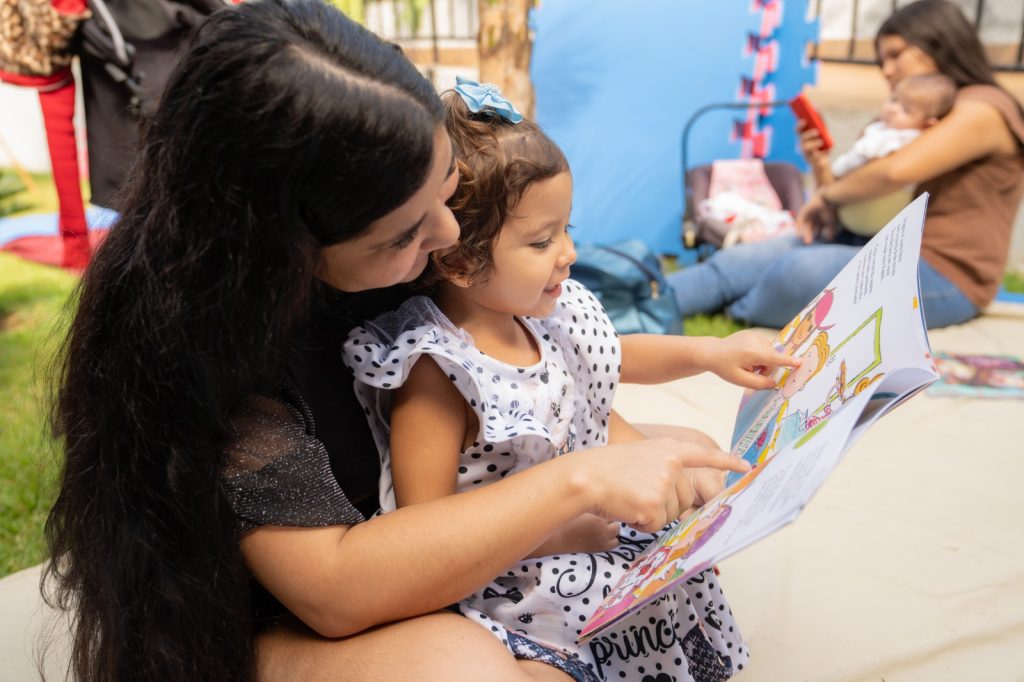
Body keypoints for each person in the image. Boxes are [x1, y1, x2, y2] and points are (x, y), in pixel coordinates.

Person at [44, 2, 759, 679]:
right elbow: (335, 590)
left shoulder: (406, 255)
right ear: (284, 250)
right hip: (301, 616)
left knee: (670, 458)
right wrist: (577, 484)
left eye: (447, 192)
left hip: (433, 538)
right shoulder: (208, 362)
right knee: (462, 666)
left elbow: (558, 381)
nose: (449, 237)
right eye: (406, 232)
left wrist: (638, 472)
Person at [343, 80, 801, 680]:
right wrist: (555, 532)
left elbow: (615, 355)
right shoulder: (437, 371)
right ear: (457, 259)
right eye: (541, 240)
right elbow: (427, 528)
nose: (569, 253)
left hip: (593, 523)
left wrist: (708, 353)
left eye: (567, 229)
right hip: (512, 580)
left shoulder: (543, 311)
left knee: (689, 517)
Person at [667, 0, 1024, 330]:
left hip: (939, 272)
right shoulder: (902, 114)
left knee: (797, 273)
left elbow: (893, 173)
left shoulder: (985, 107)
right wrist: (821, 166)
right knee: (738, 261)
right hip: (862, 242)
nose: (887, 70)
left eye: (896, 55)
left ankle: (735, 308)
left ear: (940, 43)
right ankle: (634, 305)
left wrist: (826, 197)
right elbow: (855, 194)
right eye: (882, 60)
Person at [826, 73, 956, 236]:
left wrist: (834, 172)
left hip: (880, 221)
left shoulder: (905, 139)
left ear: (928, 124)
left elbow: (856, 161)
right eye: (894, 100)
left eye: (906, 110)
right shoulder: (881, 129)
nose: (893, 109)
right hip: (855, 214)